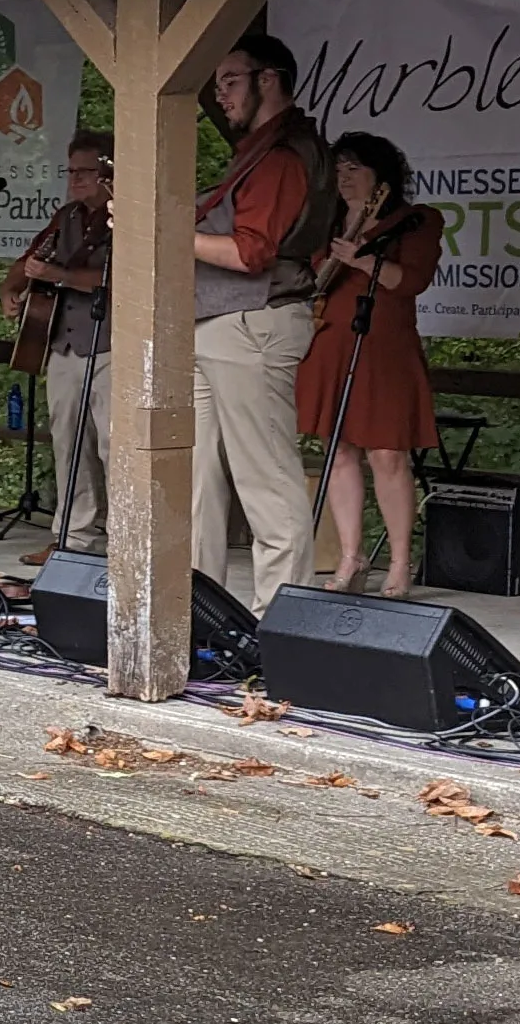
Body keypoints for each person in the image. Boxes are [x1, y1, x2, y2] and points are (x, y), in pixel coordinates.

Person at [191, 35, 336, 612]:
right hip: (218, 322)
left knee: (265, 479)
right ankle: (196, 611)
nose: (220, 95)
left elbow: (252, 253)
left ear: (268, 79)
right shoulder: (257, 151)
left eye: (229, 81)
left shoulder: (282, 156)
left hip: (253, 323)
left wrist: (165, 230)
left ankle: (279, 618)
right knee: (193, 479)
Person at [299, 133, 442, 599]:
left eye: (354, 168)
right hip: (333, 342)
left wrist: (362, 259)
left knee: (387, 454)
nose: (343, 178)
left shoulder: (415, 221)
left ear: (382, 176)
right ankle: (350, 556)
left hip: (385, 346)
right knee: (338, 451)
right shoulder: (328, 221)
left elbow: (411, 281)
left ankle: (400, 562)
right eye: (338, 169)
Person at [0, 130, 115, 568]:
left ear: (109, 172)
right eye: (72, 171)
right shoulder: (66, 218)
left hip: (111, 346)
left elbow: (118, 280)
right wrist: (11, 290)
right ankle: (72, 539)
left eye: (86, 170)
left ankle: (125, 538)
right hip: (64, 345)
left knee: (114, 446)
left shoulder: (125, 217)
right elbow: (26, 263)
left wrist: (55, 274)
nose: (76, 179)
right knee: (68, 445)